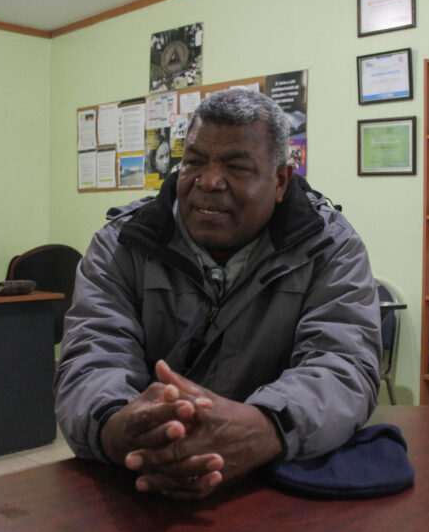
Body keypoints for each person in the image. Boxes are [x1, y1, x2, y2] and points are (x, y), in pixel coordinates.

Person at [54, 88, 381, 501]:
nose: (207, 182)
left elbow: (344, 365)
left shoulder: (329, 246)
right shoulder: (122, 245)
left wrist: (263, 426)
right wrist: (120, 425)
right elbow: (90, 357)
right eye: (193, 161)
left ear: (281, 180)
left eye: (236, 166)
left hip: (268, 489)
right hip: (136, 485)